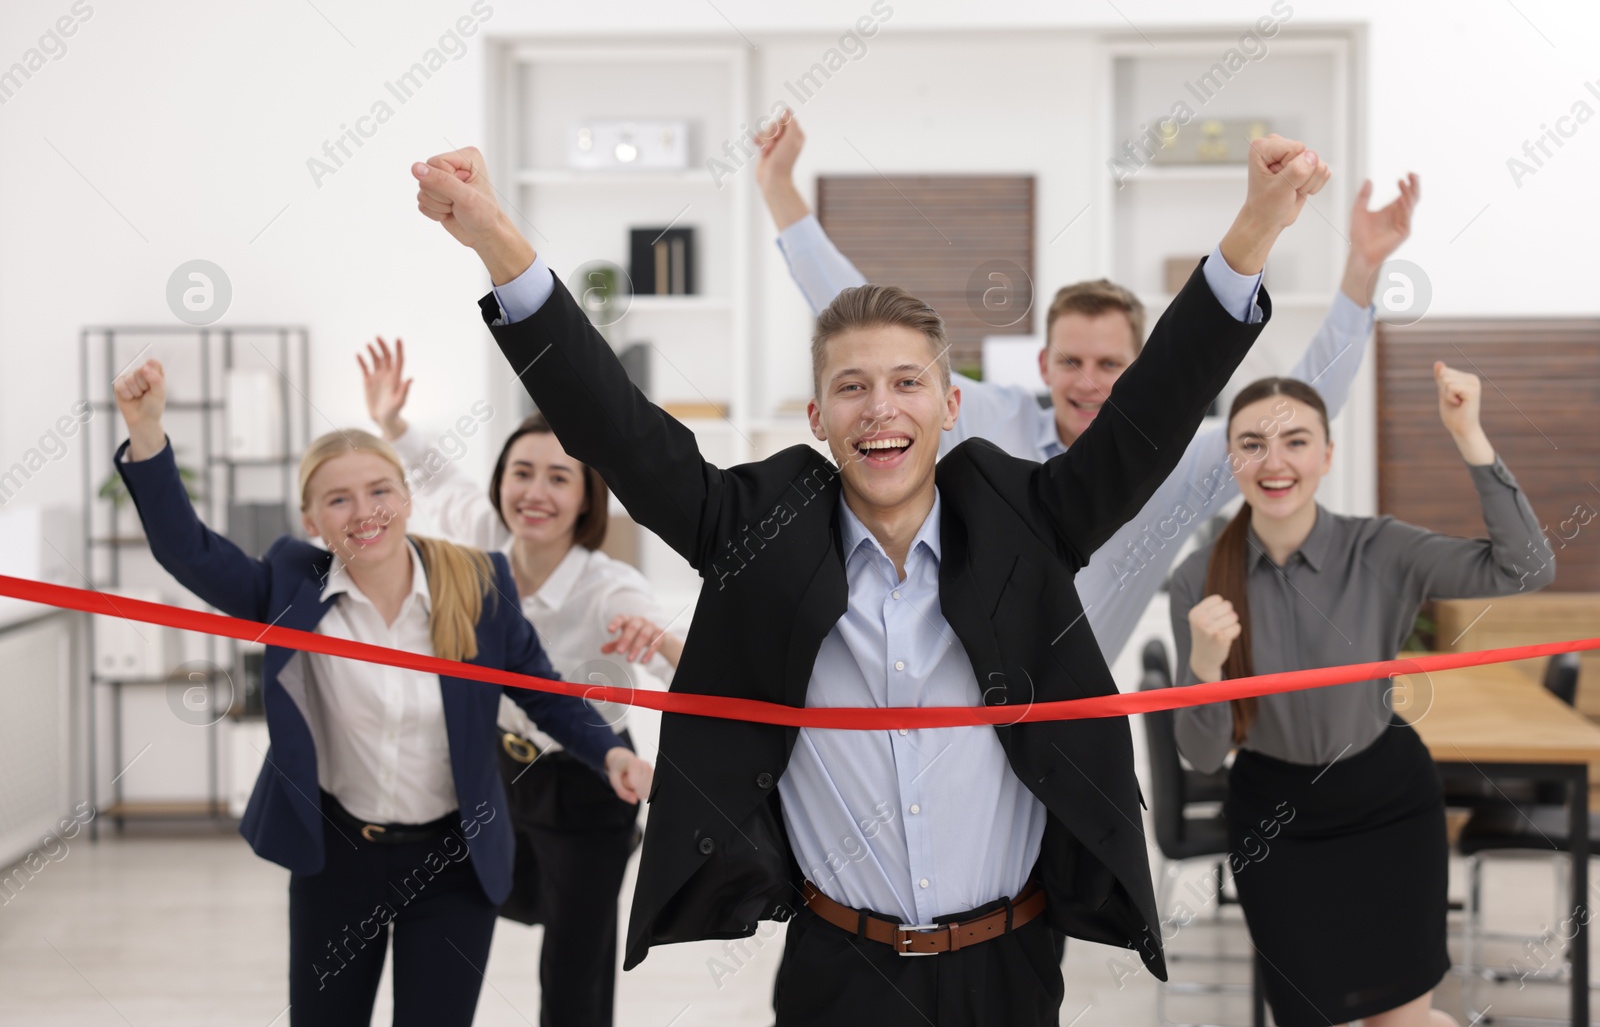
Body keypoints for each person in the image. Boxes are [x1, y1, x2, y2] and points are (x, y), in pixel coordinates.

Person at [412, 132, 1328, 1025]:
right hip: (838, 970)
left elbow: (1150, 413)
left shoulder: (1031, 520)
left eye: (906, 382)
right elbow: (616, 426)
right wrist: (500, 243)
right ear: (817, 414)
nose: (881, 408)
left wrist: (1252, 230)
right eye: (852, 386)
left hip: (1010, 966)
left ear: (951, 406)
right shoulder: (753, 531)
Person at [753, 109, 1421, 665]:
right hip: (949, 701)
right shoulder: (980, 418)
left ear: (1142, 377)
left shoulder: (1181, 466)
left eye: (1110, 366)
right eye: (1071, 362)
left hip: (1068, 735)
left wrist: (1362, 269)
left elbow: (1302, 411)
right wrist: (781, 189)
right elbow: (864, 325)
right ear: (1043, 365)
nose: (1089, 382)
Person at [109, 359, 653, 1027]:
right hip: (338, 857)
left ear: (406, 496)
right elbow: (186, 551)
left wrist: (610, 754)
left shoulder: (477, 582)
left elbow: (543, 690)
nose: (363, 513)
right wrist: (146, 431)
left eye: (379, 491)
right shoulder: (288, 585)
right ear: (311, 516)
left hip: (452, 861)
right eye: (338, 498)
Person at [1171, 364, 1555, 1027]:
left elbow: (1527, 567)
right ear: (1231, 457)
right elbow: (1202, 756)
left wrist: (1468, 434)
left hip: (1388, 808)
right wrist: (1204, 668)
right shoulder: (1199, 579)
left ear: (1327, 453)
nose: (1275, 460)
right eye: (1253, 443)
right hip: (1275, 822)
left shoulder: (1382, 549)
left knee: (1399, 1020)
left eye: (1296, 440)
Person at [358, 338, 683, 1027]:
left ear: (586, 496)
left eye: (559, 478)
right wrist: (392, 423)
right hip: (503, 772)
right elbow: (440, 478)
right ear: (502, 480)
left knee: (573, 963)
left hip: (591, 780)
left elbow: (670, 654)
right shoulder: (481, 542)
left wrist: (661, 644)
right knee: (479, 899)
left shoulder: (608, 585)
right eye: (522, 472)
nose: (536, 493)